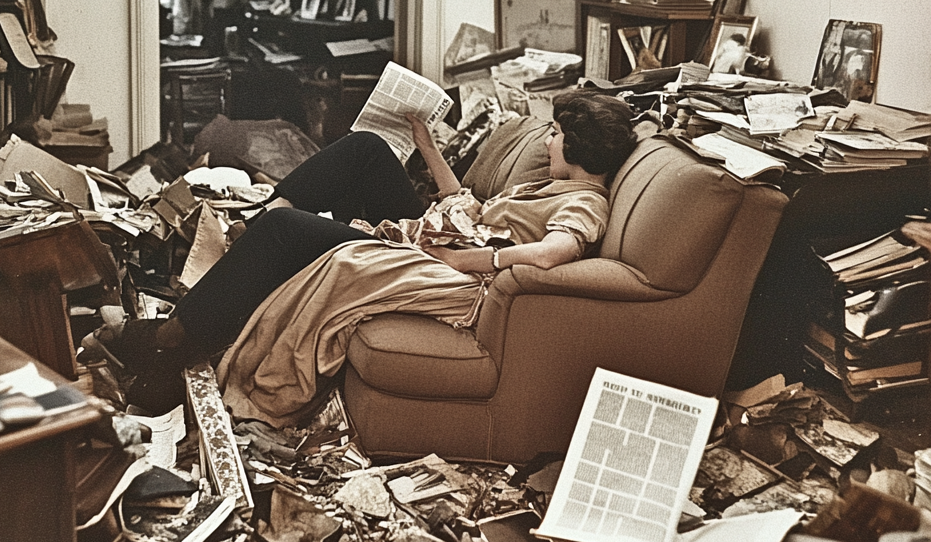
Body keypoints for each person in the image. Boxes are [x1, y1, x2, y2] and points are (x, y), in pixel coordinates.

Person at [103, 90, 637, 417]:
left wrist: (470, 263)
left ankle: (169, 340)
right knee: (367, 151)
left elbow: (550, 254)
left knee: (288, 234)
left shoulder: (585, 203)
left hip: (433, 263)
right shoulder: (548, 188)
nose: (547, 141)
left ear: (579, 148)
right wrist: (426, 144)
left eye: (557, 133)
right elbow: (464, 206)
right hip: (434, 233)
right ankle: (269, 208)